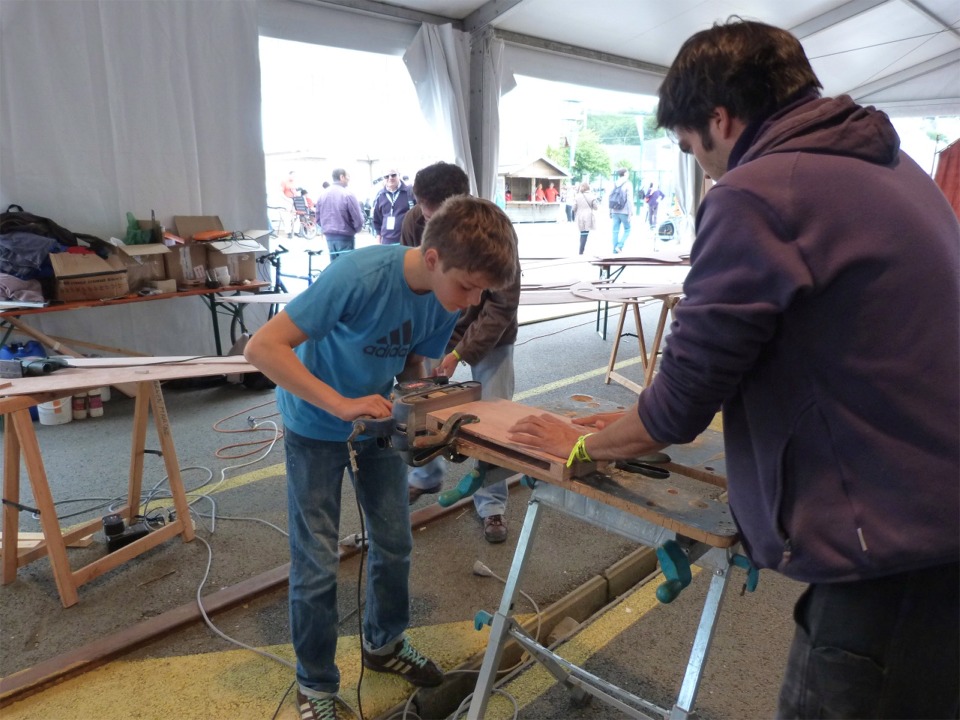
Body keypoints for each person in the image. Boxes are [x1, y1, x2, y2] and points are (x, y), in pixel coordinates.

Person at [507, 19, 959, 720]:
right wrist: (634, 418)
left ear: (720, 118)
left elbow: (684, 400)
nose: (705, 168)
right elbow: (802, 339)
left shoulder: (759, 192)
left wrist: (586, 443)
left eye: (693, 147)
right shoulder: (894, 168)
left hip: (891, 547)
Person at [244, 196, 517, 720]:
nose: (470, 302)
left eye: (482, 291)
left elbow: (414, 365)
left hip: (376, 421)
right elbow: (262, 348)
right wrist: (341, 404)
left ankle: (384, 643)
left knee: (394, 542)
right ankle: (315, 684)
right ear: (432, 257)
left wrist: (424, 405)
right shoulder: (357, 275)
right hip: (315, 424)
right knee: (318, 559)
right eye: (467, 286)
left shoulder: (443, 299)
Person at [401, 162, 522, 544]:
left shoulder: (494, 229)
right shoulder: (412, 223)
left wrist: (462, 353)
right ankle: (425, 475)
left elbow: (502, 306)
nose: (433, 220)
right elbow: (411, 283)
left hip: (491, 334)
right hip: (435, 330)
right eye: (427, 212)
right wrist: (422, 344)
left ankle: (492, 503)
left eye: (441, 212)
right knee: (423, 406)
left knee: (494, 418)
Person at [315, 168, 364, 261]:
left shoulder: (322, 195)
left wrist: (326, 227)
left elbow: (317, 217)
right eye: (348, 177)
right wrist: (356, 229)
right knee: (346, 268)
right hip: (345, 237)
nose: (349, 179)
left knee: (334, 268)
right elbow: (357, 218)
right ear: (342, 177)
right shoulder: (348, 194)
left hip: (329, 237)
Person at [372, 168, 416, 245]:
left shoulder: (410, 192)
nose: (390, 178)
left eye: (393, 175)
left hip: (406, 240)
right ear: (383, 178)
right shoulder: (380, 195)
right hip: (386, 242)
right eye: (386, 176)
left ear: (399, 175)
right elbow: (377, 220)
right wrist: (378, 240)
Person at [609, 168, 633, 253]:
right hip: (624, 211)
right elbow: (629, 199)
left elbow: (610, 197)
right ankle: (619, 246)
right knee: (628, 229)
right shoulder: (628, 184)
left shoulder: (614, 183)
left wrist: (610, 211)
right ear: (625, 173)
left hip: (615, 210)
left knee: (615, 231)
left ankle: (615, 250)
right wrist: (630, 213)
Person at [573, 181, 598, 255]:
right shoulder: (592, 196)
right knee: (585, 233)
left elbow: (573, 208)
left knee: (582, 233)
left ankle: (581, 250)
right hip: (588, 216)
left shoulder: (577, 196)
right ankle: (581, 251)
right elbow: (596, 207)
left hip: (579, 216)